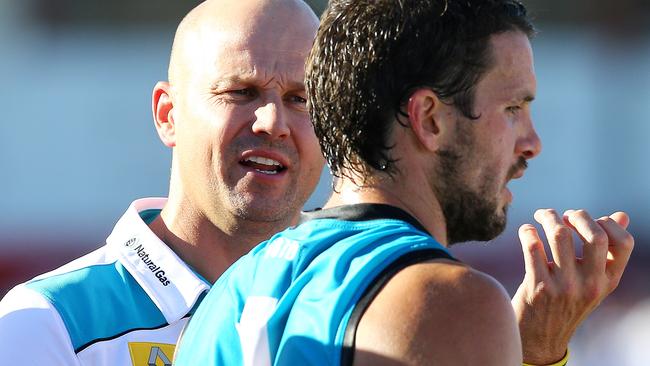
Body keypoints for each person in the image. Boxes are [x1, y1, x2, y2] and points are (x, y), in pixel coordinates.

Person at [174, 1, 635, 365]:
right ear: (429, 120)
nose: (531, 143)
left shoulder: (227, 292)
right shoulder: (451, 302)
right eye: (513, 109)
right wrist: (537, 356)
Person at [0, 0, 323, 364]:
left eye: (300, 99)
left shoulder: (355, 307)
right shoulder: (50, 322)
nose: (273, 123)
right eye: (241, 92)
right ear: (168, 114)